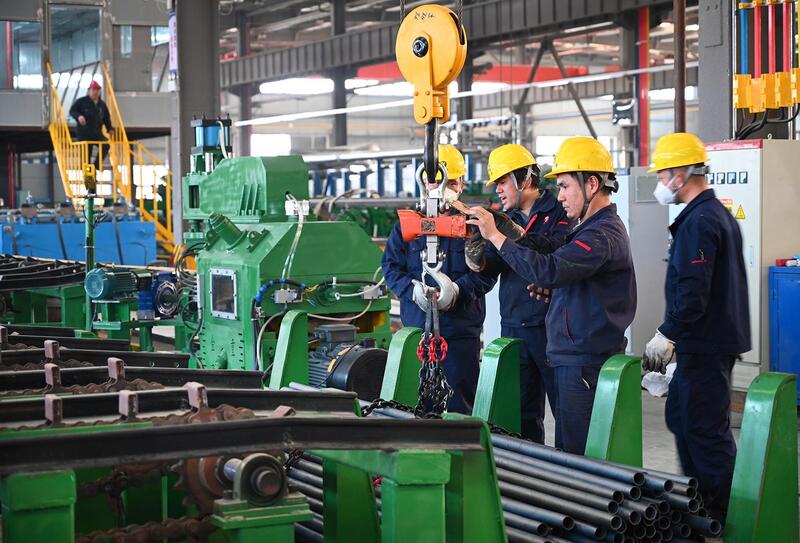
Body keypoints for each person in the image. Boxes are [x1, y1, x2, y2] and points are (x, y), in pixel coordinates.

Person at [467, 137, 636, 455]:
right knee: (559, 442)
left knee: (578, 453)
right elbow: (558, 265)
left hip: (583, 358)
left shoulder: (600, 235)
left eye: (565, 186)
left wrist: (498, 238)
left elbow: (552, 268)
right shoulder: (585, 229)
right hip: (565, 350)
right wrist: (553, 288)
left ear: (592, 184)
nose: (560, 196)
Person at [642, 132, 750, 523]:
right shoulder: (708, 215)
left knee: (704, 432)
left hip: (705, 345)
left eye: (663, 174)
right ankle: (701, 505)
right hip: (704, 344)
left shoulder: (700, 221)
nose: (660, 182)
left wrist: (667, 333)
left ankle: (720, 514)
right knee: (684, 421)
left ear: (681, 174)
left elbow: (692, 290)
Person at [468, 143, 571, 443]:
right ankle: (532, 468)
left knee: (566, 411)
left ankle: (569, 469)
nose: (498, 190)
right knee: (523, 415)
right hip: (514, 325)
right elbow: (492, 267)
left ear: (524, 179)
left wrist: (513, 236)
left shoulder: (559, 212)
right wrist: (477, 258)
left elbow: (556, 256)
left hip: (551, 326)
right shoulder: (502, 219)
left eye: (502, 181)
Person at [382, 144, 496, 414]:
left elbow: (486, 273)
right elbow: (390, 267)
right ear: (423, 183)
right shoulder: (407, 226)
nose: (440, 188)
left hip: (459, 335)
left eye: (450, 182)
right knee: (416, 406)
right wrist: (411, 291)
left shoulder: (474, 227)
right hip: (417, 332)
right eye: (433, 182)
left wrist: (458, 290)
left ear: (461, 185)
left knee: (458, 407)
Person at [69, 80, 114, 169]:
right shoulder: (81, 102)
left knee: (105, 145)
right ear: (89, 91)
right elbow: (72, 111)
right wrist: (78, 116)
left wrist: (110, 129)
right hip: (84, 134)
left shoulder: (102, 105)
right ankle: (89, 176)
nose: (95, 92)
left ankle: (96, 165)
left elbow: (106, 118)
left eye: (97, 90)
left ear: (99, 91)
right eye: (93, 90)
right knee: (86, 158)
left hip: (97, 133)